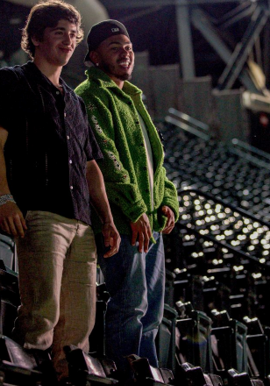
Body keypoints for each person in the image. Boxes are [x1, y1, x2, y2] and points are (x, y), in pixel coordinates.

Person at [0, 0, 120, 382]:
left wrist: (106, 220)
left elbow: (92, 166)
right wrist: (5, 198)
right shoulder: (11, 80)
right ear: (37, 37)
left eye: (74, 35)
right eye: (60, 32)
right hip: (40, 214)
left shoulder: (75, 102)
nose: (69, 41)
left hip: (82, 224)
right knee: (41, 315)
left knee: (77, 331)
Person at [75, 20, 179, 383]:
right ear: (94, 56)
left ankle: (146, 375)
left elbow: (156, 162)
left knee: (150, 311)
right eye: (115, 46)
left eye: (128, 45)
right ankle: (128, 377)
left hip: (149, 222)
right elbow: (106, 158)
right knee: (129, 306)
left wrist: (166, 200)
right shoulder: (92, 96)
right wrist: (135, 209)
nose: (125, 51)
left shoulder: (131, 97)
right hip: (124, 220)